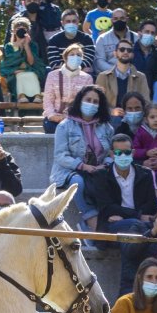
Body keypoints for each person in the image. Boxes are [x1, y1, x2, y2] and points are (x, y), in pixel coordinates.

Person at [51, 85, 114, 232]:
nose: (91, 104)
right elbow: (60, 155)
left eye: (95, 101)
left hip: (97, 170)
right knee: (78, 182)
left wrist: (105, 165)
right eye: (88, 100)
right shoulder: (64, 126)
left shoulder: (107, 128)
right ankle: (91, 220)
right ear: (80, 101)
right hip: (68, 171)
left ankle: (109, 217)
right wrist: (82, 166)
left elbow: (110, 153)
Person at [88, 133, 157, 236]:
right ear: (112, 154)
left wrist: (125, 216)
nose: (123, 156)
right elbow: (106, 207)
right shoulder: (101, 175)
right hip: (112, 224)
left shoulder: (145, 174)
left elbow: (151, 204)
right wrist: (137, 215)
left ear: (133, 153)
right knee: (135, 225)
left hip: (140, 222)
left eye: (127, 152)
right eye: (118, 153)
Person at [42, 43, 94, 133]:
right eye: (72, 54)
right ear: (65, 58)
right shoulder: (52, 75)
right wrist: (52, 115)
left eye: (78, 55)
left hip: (77, 119)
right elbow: (48, 99)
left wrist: (71, 117)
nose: (75, 57)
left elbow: (85, 102)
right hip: (55, 118)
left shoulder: (87, 78)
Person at [0, 16, 46, 108]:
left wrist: (26, 46)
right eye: (17, 28)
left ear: (28, 31)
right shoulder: (9, 46)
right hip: (14, 73)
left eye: (24, 28)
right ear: (13, 31)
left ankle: (37, 95)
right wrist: (18, 47)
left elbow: (32, 62)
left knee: (32, 74)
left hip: (31, 70)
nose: (20, 30)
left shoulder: (33, 45)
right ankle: (21, 95)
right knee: (20, 75)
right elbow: (9, 63)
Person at [97, 39, 150, 113]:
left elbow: (146, 102)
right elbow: (98, 102)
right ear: (115, 53)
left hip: (134, 117)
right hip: (110, 118)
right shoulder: (103, 77)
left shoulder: (141, 77)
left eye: (129, 50)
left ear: (132, 55)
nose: (125, 52)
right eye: (122, 49)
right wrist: (111, 111)